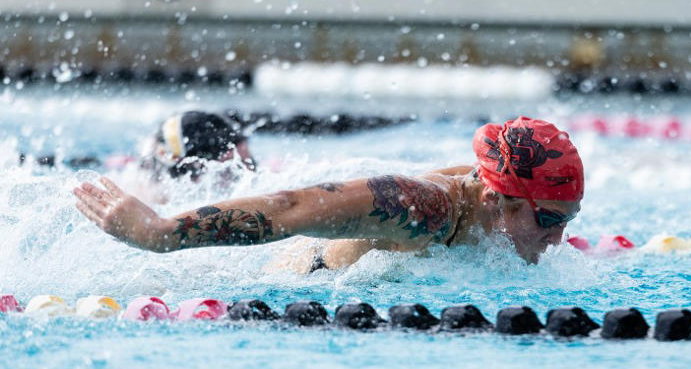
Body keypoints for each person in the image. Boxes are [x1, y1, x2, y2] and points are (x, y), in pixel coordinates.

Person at [73, 116, 584, 267]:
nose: (557, 239)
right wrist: (159, 231)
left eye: (566, 221)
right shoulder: (423, 207)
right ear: (495, 199)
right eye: (547, 220)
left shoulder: (493, 198)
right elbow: (288, 205)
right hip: (300, 281)